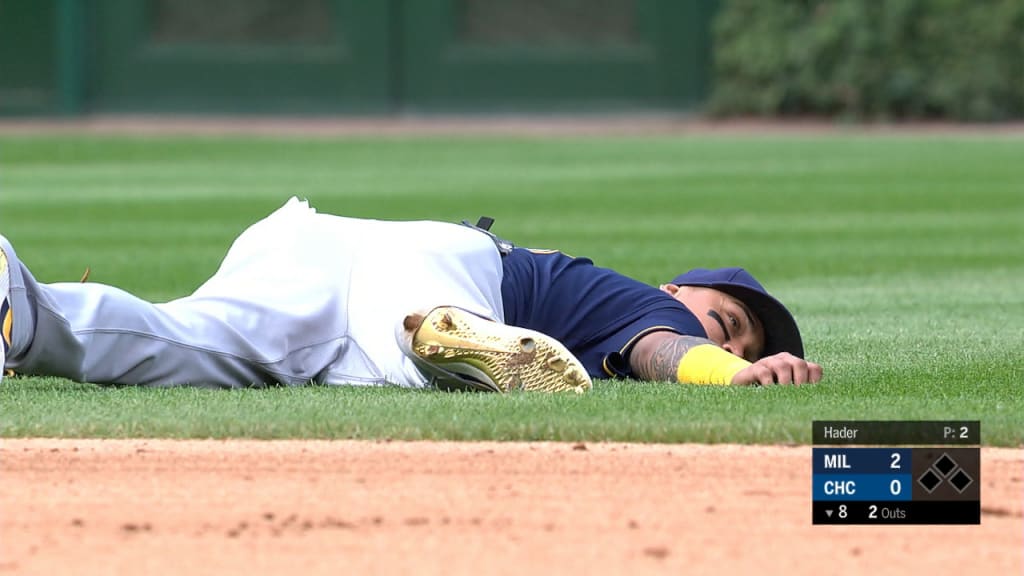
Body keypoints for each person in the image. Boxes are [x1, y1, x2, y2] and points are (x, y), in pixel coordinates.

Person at [0, 197, 821, 393]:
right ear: (685, 288)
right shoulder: (657, 308)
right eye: (738, 323)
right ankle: (445, 338)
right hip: (442, 273)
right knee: (421, 341)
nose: (740, 342)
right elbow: (658, 350)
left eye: (743, 345)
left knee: (187, 344)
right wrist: (724, 374)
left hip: (308, 241)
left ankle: (23, 317)